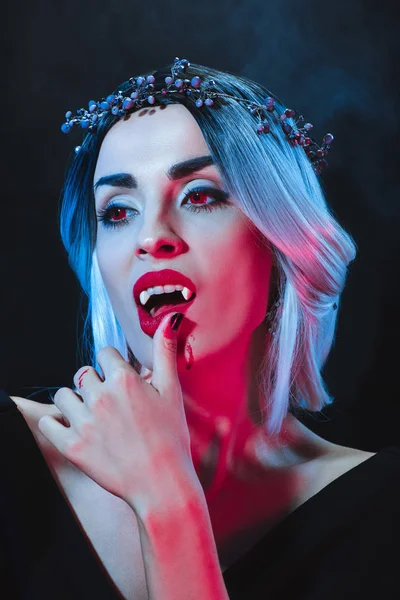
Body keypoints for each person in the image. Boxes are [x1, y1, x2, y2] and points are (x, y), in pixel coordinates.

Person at [1, 57, 399, 600]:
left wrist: (168, 500)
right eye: (117, 211)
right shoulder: (12, 457)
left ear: (280, 244)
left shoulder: (381, 513)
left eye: (201, 196)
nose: (151, 235)